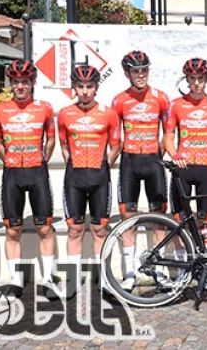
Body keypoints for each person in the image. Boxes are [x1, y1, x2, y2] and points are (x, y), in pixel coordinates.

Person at [0, 60, 59, 300]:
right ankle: (16, 282)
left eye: (25, 82)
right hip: (12, 174)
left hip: (37, 172)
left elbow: (51, 139)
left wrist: (42, 159)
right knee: (12, 230)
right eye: (16, 82)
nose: (20, 86)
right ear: (11, 84)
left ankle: (48, 279)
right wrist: (9, 159)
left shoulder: (45, 108)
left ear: (33, 83)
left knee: (44, 228)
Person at [57, 65, 121, 295]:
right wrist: (75, 165)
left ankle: (103, 280)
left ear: (96, 88)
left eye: (89, 86)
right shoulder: (65, 113)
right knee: (74, 229)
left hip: (99, 177)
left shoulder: (109, 113)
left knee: (100, 230)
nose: (85, 91)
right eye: (80, 86)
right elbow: (64, 145)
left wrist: (103, 166)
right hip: (74, 178)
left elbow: (116, 145)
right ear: (74, 87)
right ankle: (72, 281)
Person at [111, 50, 171, 291]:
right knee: (128, 220)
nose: (141, 75)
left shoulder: (161, 98)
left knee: (160, 220)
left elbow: (168, 132)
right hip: (130, 163)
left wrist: (159, 154)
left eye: (144, 70)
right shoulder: (119, 100)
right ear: (127, 73)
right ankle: (129, 273)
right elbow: (116, 137)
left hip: (154, 162)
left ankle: (160, 271)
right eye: (135, 71)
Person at [163, 57, 207, 290]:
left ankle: (205, 273)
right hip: (183, 169)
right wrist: (174, 154)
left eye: (200, 78)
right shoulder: (176, 105)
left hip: (206, 168)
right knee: (179, 223)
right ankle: (182, 272)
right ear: (187, 80)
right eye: (192, 78)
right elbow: (168, 136)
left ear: (206, 79)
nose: (196, 83)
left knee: (205, 224)